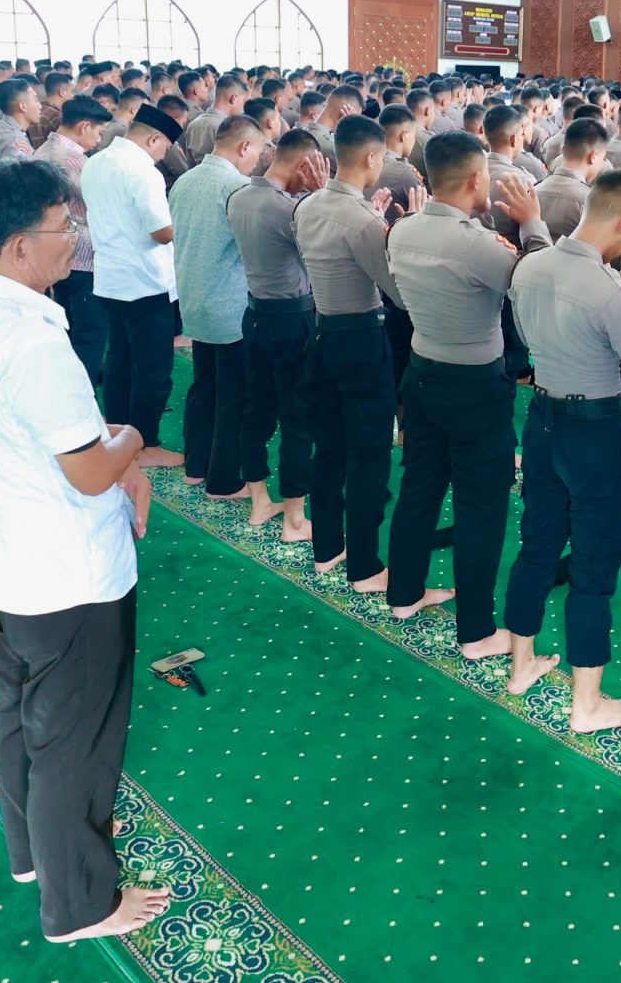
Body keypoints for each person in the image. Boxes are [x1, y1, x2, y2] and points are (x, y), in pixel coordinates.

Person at [0, 158, 169, 942]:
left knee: (21, 719)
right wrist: (132, 438)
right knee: (75, 741)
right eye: (63, 226)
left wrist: (111, 450)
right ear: (17, 244)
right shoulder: (29, 341)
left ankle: (35, 853)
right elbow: (92, 470)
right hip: (70, 572)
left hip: (16, 558)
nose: (76, 237)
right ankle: (79, 905)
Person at [503, 172, 621, 728]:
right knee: (594, 570)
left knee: (537, 546)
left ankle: (521, 666)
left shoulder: (529, 267)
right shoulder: (610, 292)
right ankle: (587, 704)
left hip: (542, 420)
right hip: (595, 432)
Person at [384, 131, 551, 651]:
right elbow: (540, 285)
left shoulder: (402, 230)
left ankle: (404, 593)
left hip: (421, 375)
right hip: (475, 388)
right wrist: (532, 222)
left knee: (419, 488)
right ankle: (476, 631)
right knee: (481, 505)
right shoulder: (477, 244)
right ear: (477, 179)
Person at [294, 113, 413, 590]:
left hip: (321, 333)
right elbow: (398, 292)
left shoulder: (307, 206)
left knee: (329, 446)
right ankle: (364, 566)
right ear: (370, 158)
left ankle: (327, 548)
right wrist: (396, 235)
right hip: (361, 339)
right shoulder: (362, 220)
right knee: (369, 453)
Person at [229, 128, 329, 541]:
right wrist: (322, 196)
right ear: (306, 164)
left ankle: (259, 502)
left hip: (254, 316)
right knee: (296, 418)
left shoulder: (238, 197)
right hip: (292, 321)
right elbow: (324, 251)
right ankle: (294, 520)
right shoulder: (290, 209)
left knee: (256, 409)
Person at [80, 104, 183, 468]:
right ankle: (146, 444)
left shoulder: (95, 161)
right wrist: (186, 224)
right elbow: (161, 232)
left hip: (110, 278)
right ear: (153, 139)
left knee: (120, 359)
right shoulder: (142, 171)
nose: (163, 155)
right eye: (164, 147)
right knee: (153, 368)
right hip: (145, 282)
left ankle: (119, 433)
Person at [173, 115, 269, 504]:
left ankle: (197, 465)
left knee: (205, 385)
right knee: (233, 394)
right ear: (245, 147)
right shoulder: (236, 186)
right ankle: (224, 480)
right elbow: (255, 247)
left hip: (194, 299)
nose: (257, 161)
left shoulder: (186, 179)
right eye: (258, 152)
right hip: (229, 306)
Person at [35, 96, 112, 381]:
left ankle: (69, 379)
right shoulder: (76, 161)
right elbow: (99, 205)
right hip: (82, 254)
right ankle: (83, 390)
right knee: (91, 330)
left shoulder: (42, 150)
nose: (99, 139)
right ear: (84, 126)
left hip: (50, 250)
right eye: (98, 132)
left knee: (65, 323)